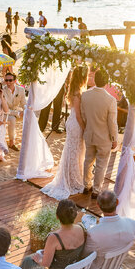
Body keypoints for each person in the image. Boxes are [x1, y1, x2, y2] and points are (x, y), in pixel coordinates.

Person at [27, 199, 87, 269]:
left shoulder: (54, 237)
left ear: (57, 216)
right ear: (75, 214)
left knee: (28, 261)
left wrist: (38, 260)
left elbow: (45, 265)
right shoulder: (81, 228)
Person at [41, 68, 87, 200]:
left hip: (71, 122)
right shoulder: (77, 93)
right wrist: (84, 128)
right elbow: (78, 116)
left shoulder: (73, 90)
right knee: (76, 151)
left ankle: (71, 176)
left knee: (73, 150)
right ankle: (72, 179)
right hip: (76, 124)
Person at [82, 191, 135, 269]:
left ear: (98, 205)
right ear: (117, 202)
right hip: (116, 266)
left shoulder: (94, 233)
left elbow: (85, 256)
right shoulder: (132, 223)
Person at [81, 70, 117, 198]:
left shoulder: (85, 95)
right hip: (104, 138)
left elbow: (83, 116)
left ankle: (86, 185)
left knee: (88, 160)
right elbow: (112, 123)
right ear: (107, 82)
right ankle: (96, 190)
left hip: (89, 134)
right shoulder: (111, 100)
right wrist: (114, 138)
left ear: (95, 80)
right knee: (101, 164)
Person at [1, 73, 26, 151]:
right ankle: (11, 142)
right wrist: (17, 113)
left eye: (10, 80)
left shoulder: (21, 90)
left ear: (15, 81)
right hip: (3, 113)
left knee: (29, 116)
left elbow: (24, 104)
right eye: (6, 80)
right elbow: (4, 108)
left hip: (16, 112)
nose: (8, 82)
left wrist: (25, 111)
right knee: (12, 119)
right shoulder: (2, 90)